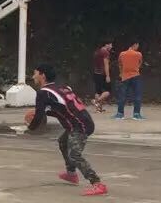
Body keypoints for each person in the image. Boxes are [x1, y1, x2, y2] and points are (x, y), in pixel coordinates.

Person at [26, 64, 108, 196]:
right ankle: (71, 174)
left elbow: (39, 117)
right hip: (82, 121)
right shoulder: (63, 87)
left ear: (42, 75)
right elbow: (62, 108)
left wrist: (29, 128)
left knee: (74, 155)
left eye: (35, 73)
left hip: (79, 125)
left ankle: (97, 183)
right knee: (63, 142)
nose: (33, 76)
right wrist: (46, 113)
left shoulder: (43, 93)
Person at [114, 41, 144, 120]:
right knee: (137, 95)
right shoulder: (138, 54)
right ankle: (136, 114)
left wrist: (121, 73)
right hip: (135, 75)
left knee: (122, 95)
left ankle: (120, 114)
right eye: (138, 45)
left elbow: (120, 64)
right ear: (135, 44)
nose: (138, 47)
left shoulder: (122, 54)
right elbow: (140, 63)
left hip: (125, 76)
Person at [92, 39, 113, 113]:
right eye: (110, 45)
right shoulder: (105, 52)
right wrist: (108, 76)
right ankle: (96, 101)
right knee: (108, 91)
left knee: (98, 91)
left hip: (96, 73)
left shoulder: (97, 51)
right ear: (106, 44)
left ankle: (98, 108)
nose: (111, 46)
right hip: (102, 74)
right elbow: (106, 64)